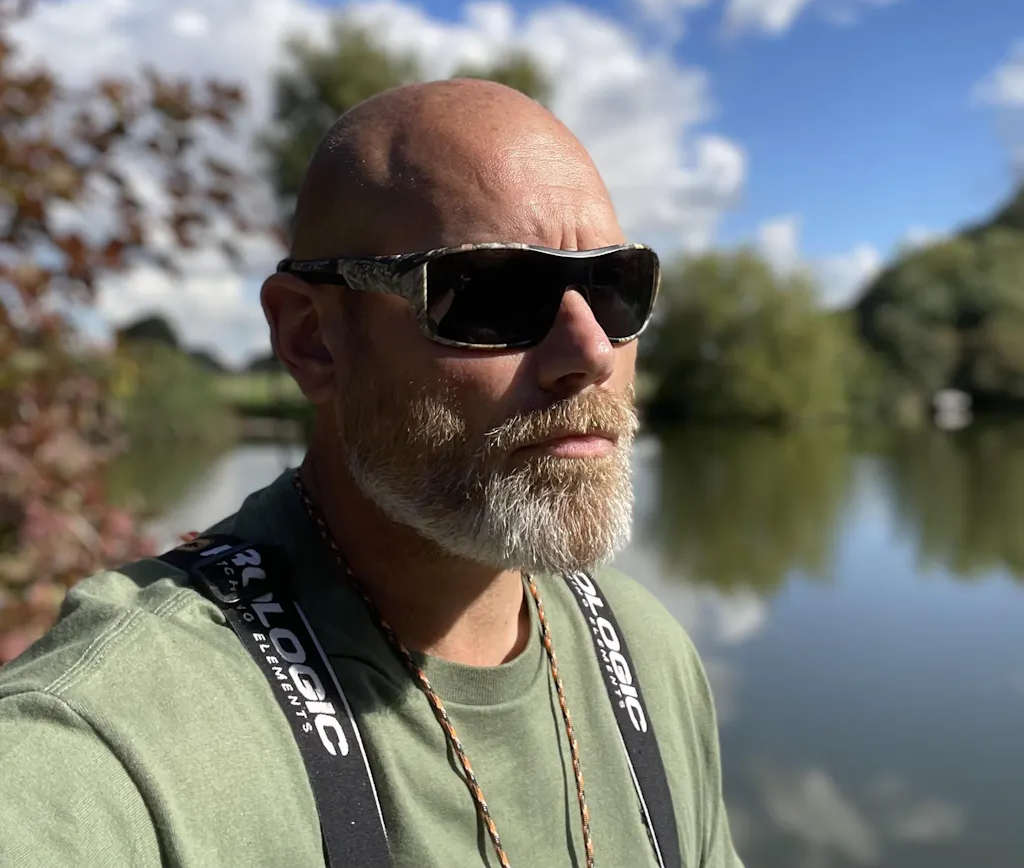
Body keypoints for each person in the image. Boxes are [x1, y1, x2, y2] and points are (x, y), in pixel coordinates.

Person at [0, 78, 743, 867]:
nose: (591, 351)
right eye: (492, 293)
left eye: (614, 288)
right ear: (312, 337)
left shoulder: (646, 657)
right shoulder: (116, 738)